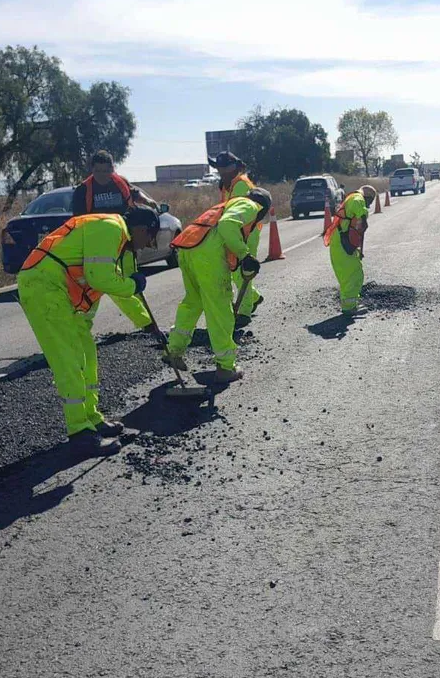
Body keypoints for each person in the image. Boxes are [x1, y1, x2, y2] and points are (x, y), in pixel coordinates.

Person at [17, 208, 158, 454]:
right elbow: (100, 279)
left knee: (87, 356)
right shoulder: (111, 229)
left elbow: (115, 288)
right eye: (149, 238)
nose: (147, 246)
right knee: (69, 359)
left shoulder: (114, 238)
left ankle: (92, 418)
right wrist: (133, 284)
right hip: (43, 287)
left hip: (58, 291)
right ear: (141, 229)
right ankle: (79, 431)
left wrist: (147, 324)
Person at [164, 188, 271, 383]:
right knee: (220, 308)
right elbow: (227, 225)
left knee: (193, 303)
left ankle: (174, 350)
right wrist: (244, 254)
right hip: (208, 256)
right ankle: (225, 366)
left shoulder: (227, 205)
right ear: (262, 208)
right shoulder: (250, 205)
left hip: (188, 248)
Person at [72, 150, 160, 336]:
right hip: (98, 246)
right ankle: (80, 330)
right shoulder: (83, 191)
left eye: (106, 171)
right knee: (97, 285)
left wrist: (149, 202)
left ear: (113, 169)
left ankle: (147, 325)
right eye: (98, 171)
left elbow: (135, 194)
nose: (103, 176)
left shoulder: (121, 183)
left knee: (130, 283)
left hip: (126, 241)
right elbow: (78, 222)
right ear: (92, 170)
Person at [211, 150, 264, 321]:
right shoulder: (229, 185)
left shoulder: (241, 185)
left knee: (242, 270)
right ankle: (254, 297)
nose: (219, 172)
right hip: (235, 231)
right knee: (235, 270)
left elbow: (236, 212)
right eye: (218, 168)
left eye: (222, 168)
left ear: (232, 168)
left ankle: (244, 312)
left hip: (246, 232)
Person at [324, 185, 376, 315]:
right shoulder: (358, 199)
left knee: (350, 274)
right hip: (342, 241)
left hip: (342, 240)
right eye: (370, 202)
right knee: (352, 275)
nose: (369, 205)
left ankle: (351, 304)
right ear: (368, 197)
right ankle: (349, 308)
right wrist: (364, 216)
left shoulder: (353, 198)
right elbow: (361, 216)